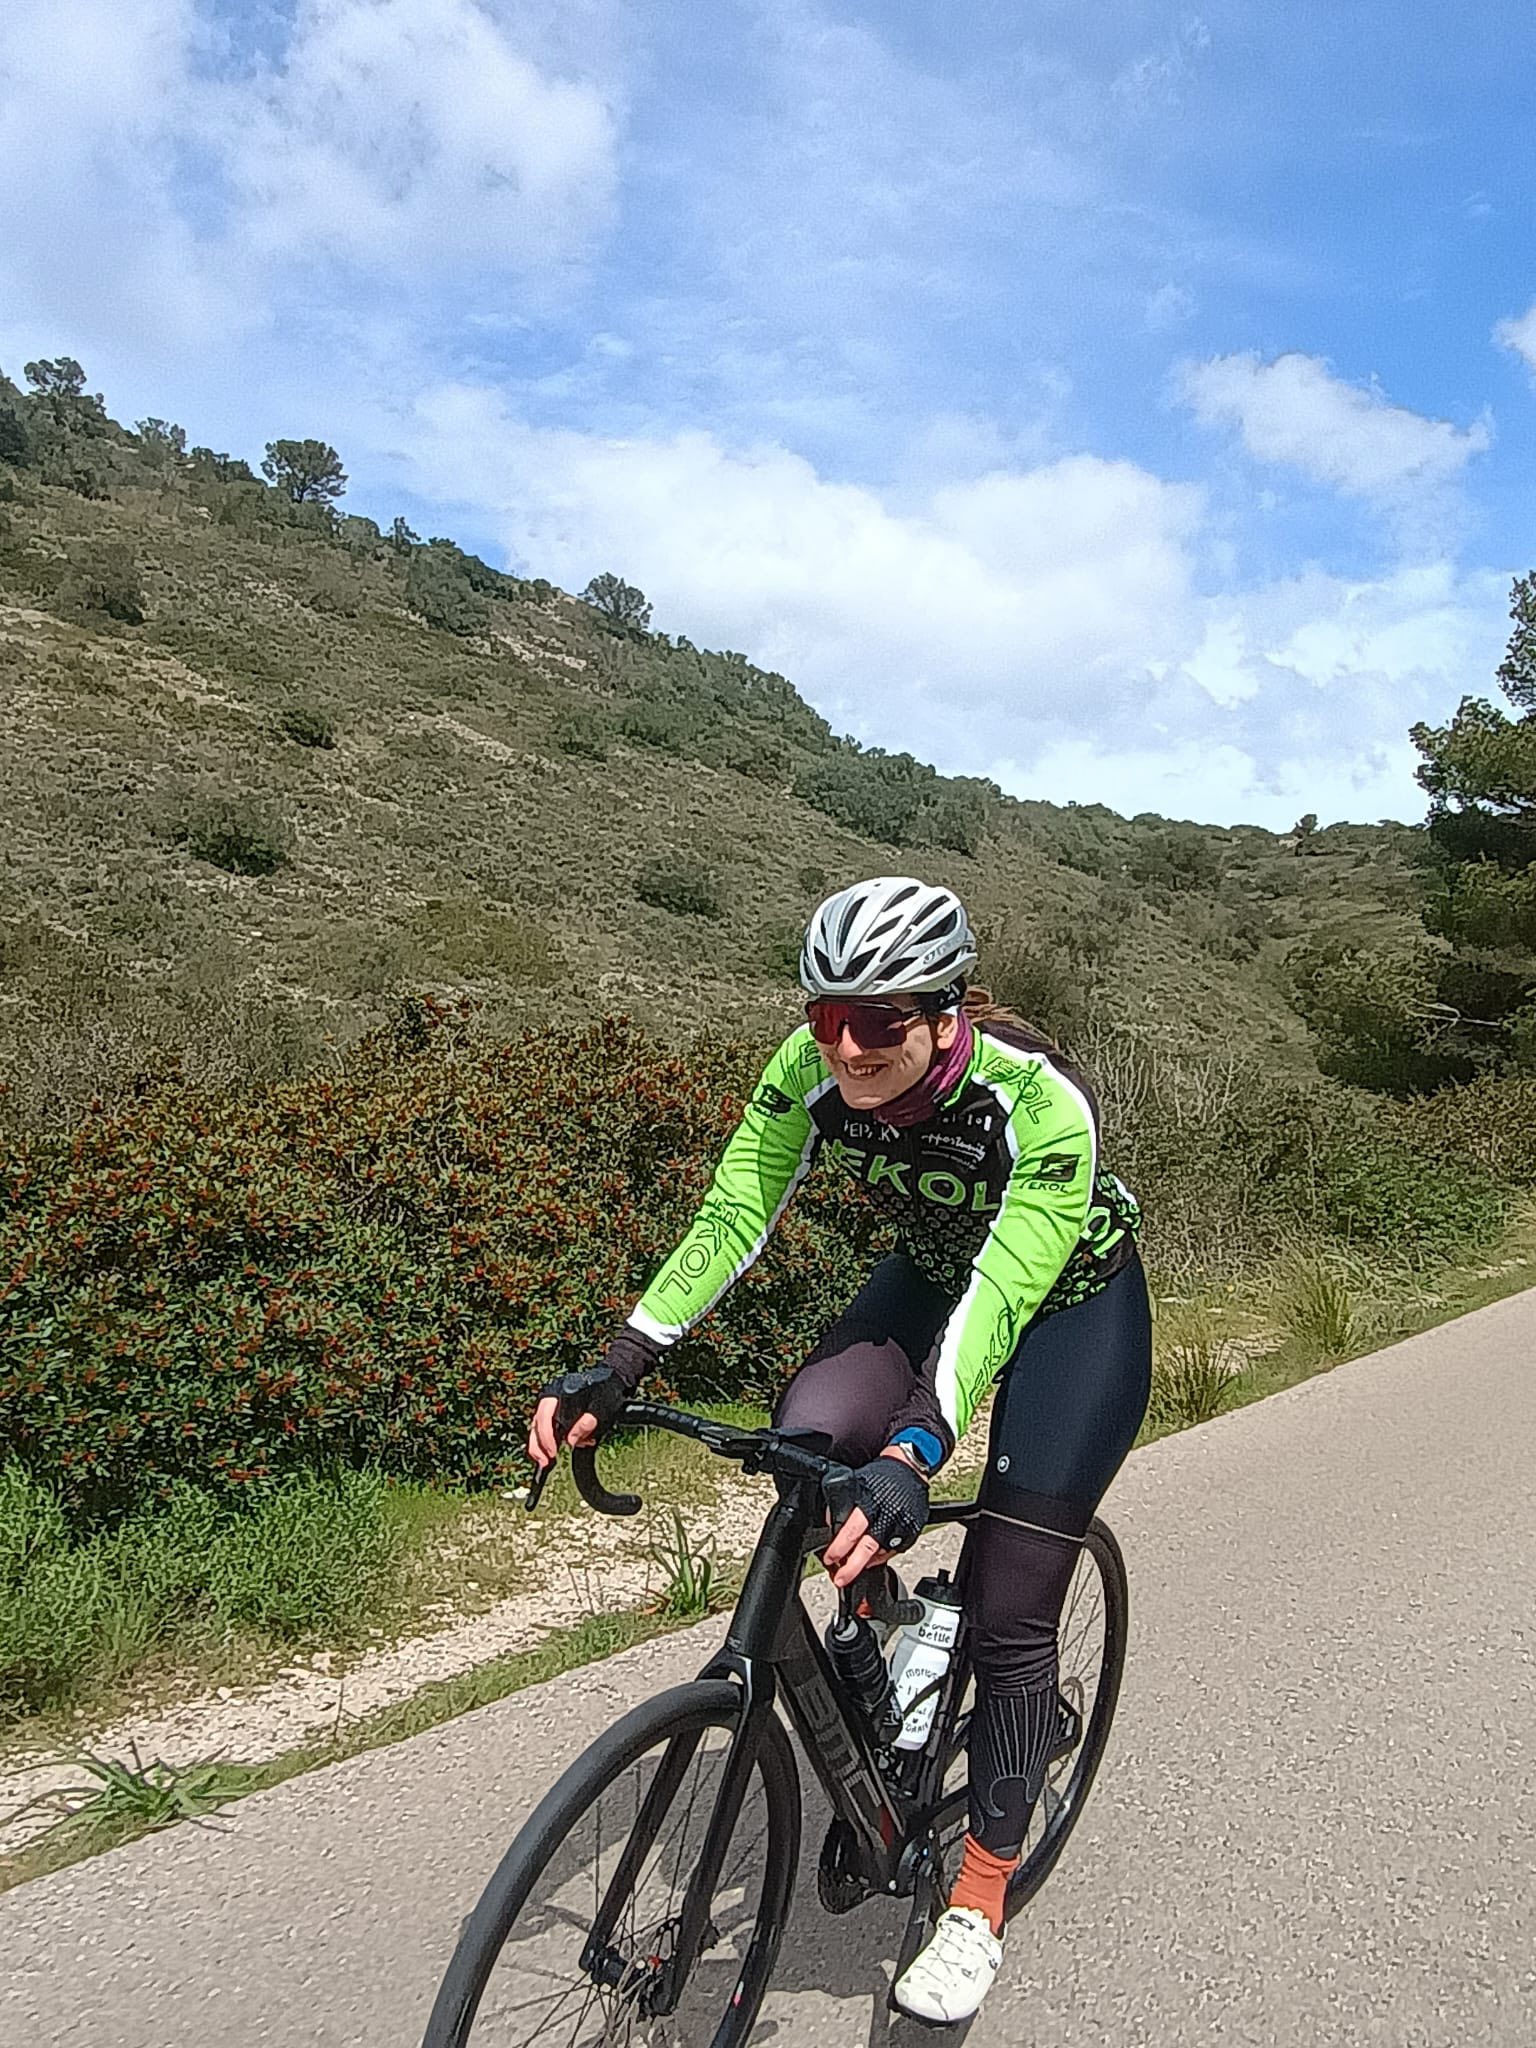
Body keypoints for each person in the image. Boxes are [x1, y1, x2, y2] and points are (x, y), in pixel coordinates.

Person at [528, 876, 1150, 2025]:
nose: (847, 1047)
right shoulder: (807, 1071)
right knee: (803, 1440)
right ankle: (888, 1637)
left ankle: (977, 1899)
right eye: (826, 1016)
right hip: (931, 1273)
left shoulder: (1035, 1098)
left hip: (1074, 1304)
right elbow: (735, 1215)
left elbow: (1003, 1292)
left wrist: (915, 1448)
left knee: (1016, 1603)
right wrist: (619, 1362)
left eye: (876, 1021)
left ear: (946, 1011)